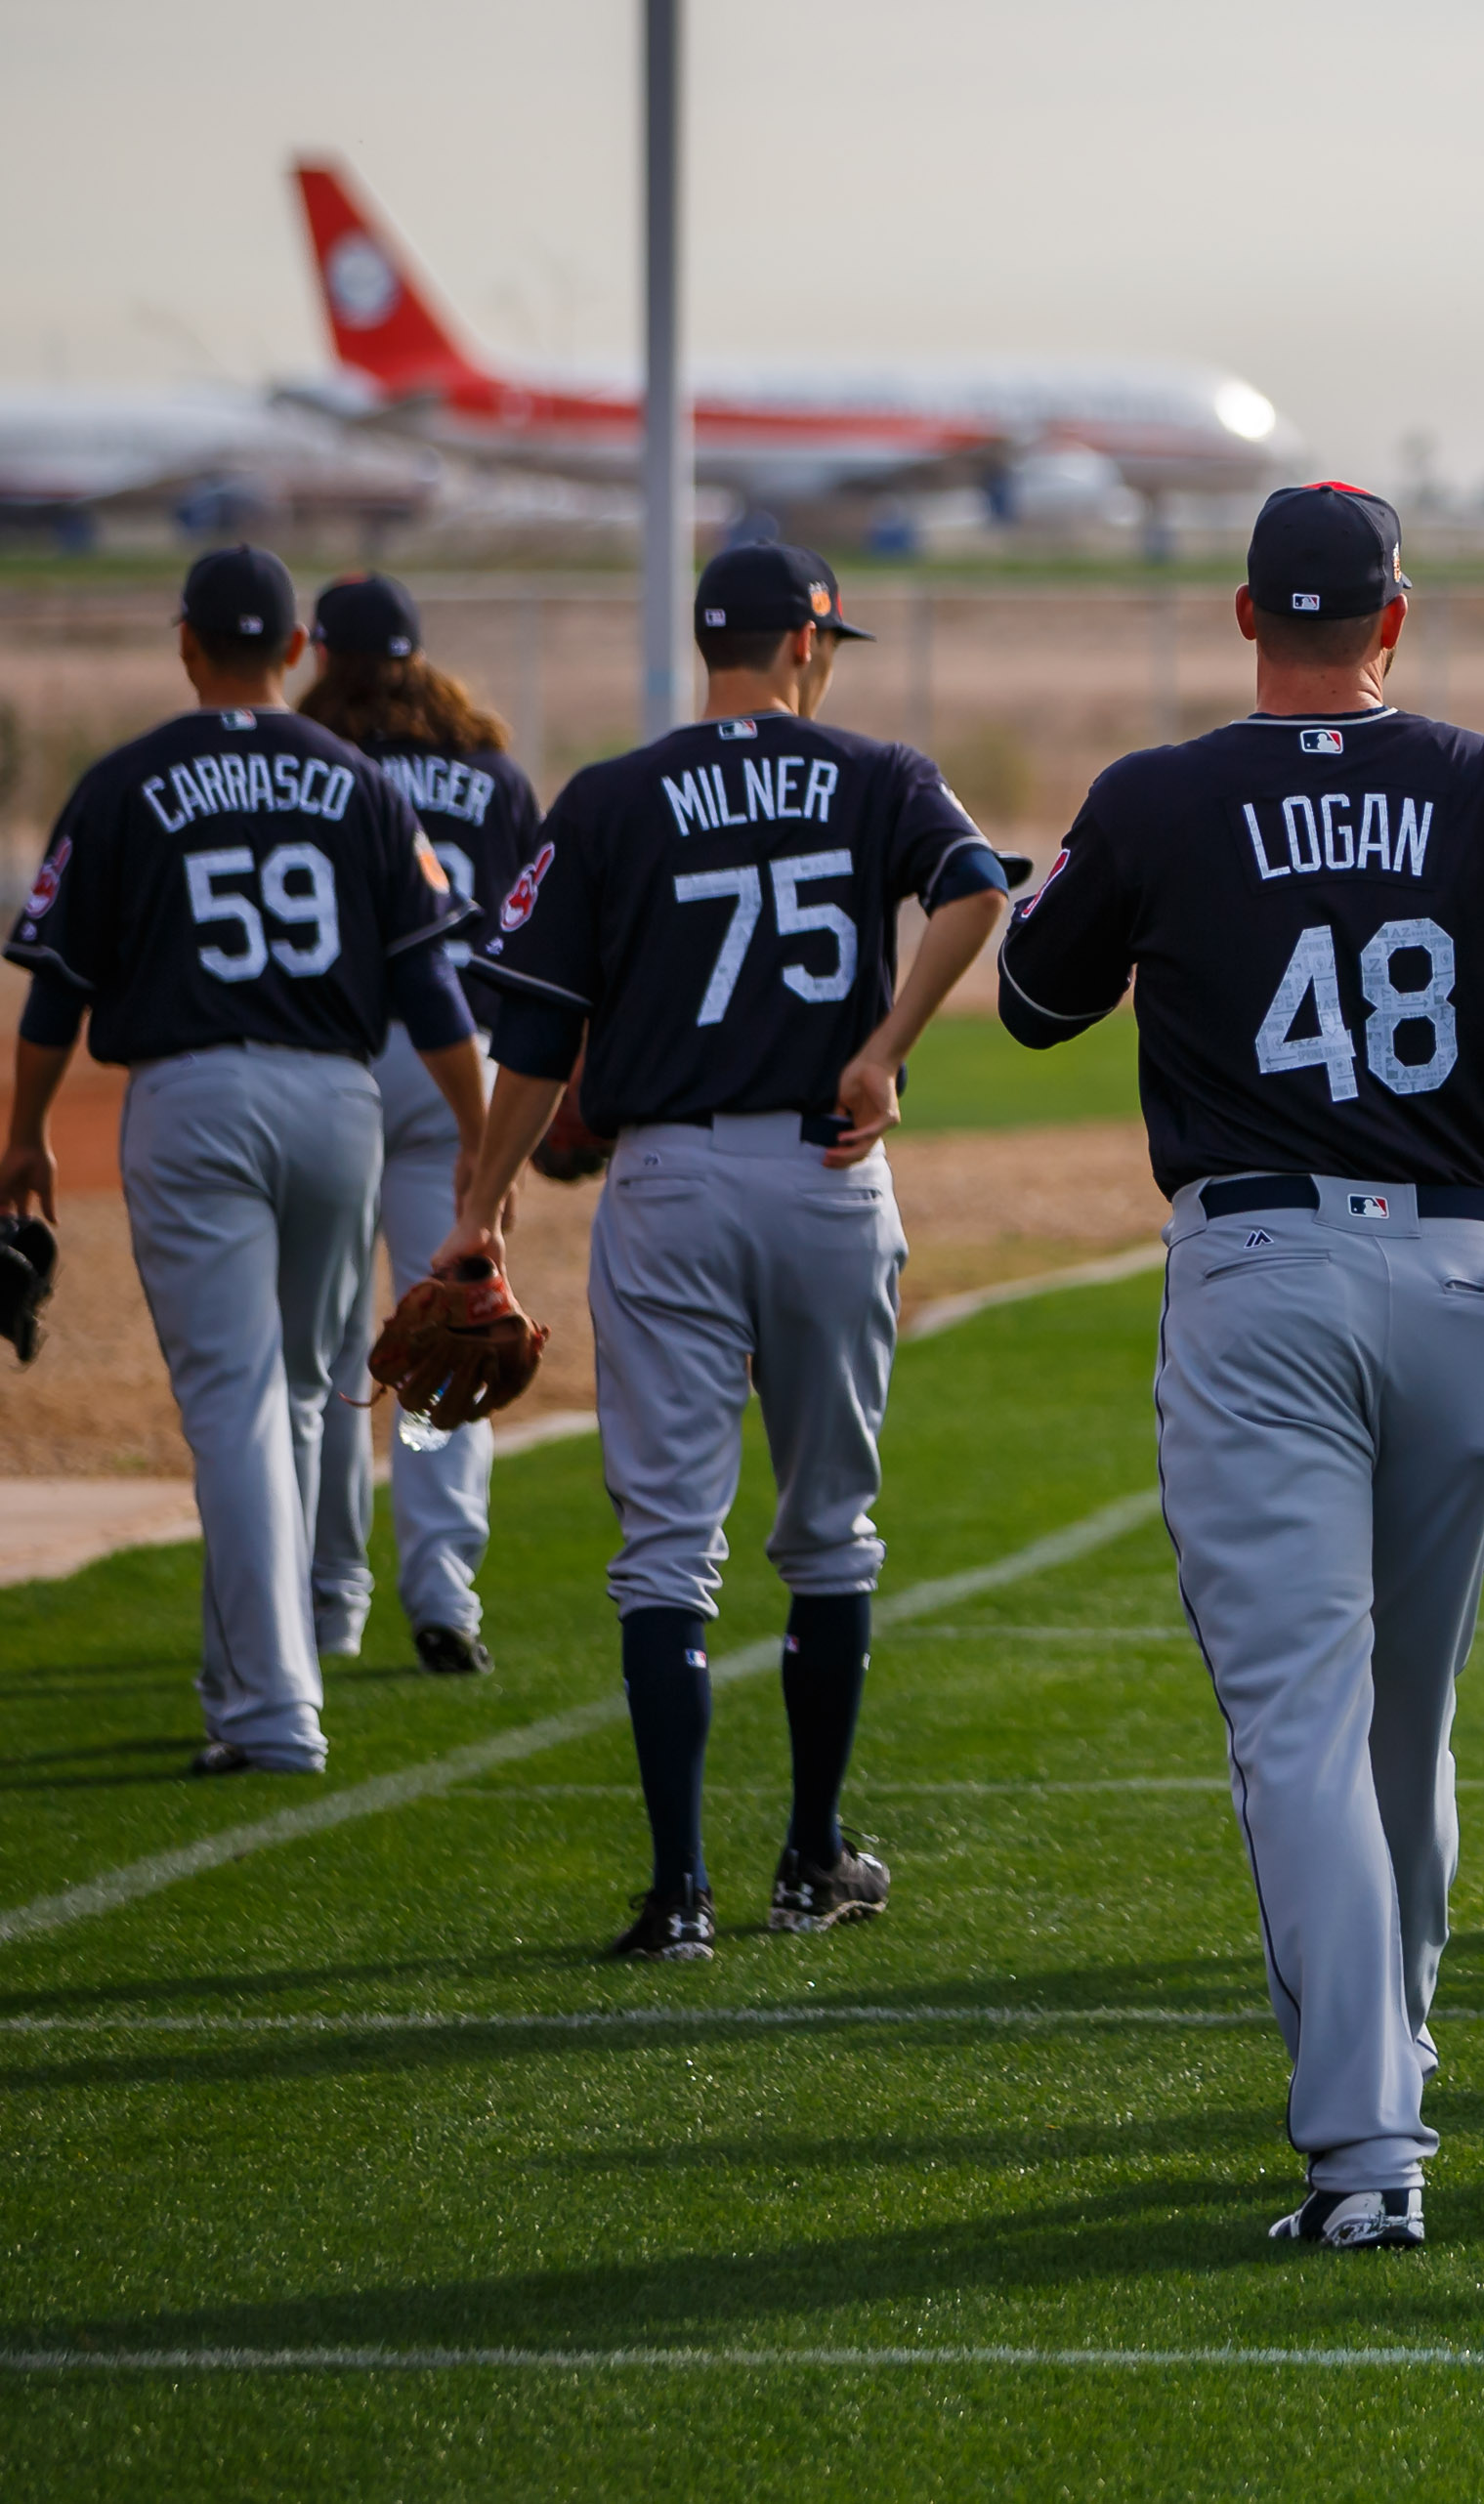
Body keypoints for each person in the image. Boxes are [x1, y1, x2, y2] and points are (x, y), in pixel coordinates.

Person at [994, 482, 1484, 2252]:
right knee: (1401, 1726)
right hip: (1453, 1271)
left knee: (1299, 1729)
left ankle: (1365, 2144)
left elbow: (1038, 997)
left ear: (1246, 615)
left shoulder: (1157, 792)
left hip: (1263, 1269)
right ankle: (1393, 2055)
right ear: (1394, 623)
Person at [449, 542, 1008, 1961]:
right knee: (828, 1527)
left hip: (670, 1178)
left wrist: (483, 1201)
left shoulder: (612, 796)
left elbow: (533, 1028)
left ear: (712, 645)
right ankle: (811, 1853)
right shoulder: (877, 769)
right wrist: (883, 1048)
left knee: (665, 1548)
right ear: (808, 641)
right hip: (830, 1170)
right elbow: (976, 891)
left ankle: (678, 1888)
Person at [0, 546, 486, 1775]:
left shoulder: (125, 781)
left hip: (192, 1095)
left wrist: (25, 1132)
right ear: (296, 652)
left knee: (236, 1405)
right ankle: (292, 1648)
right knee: (309, 1391)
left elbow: (59, 989)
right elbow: (431, 990)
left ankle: (271, 1709)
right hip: (336, 1098)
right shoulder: (362, 783)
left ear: (184, 642)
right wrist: (483, 1143)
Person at [297, 571, 542, 1675]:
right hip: (465, 1068)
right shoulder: (491, 774)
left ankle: (324, 1598)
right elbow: (532, 943)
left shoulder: (309, 770)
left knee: (329, 1343)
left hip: (336, 1062)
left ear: (319, 654)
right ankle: (443, 1593)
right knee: (449, 1336)